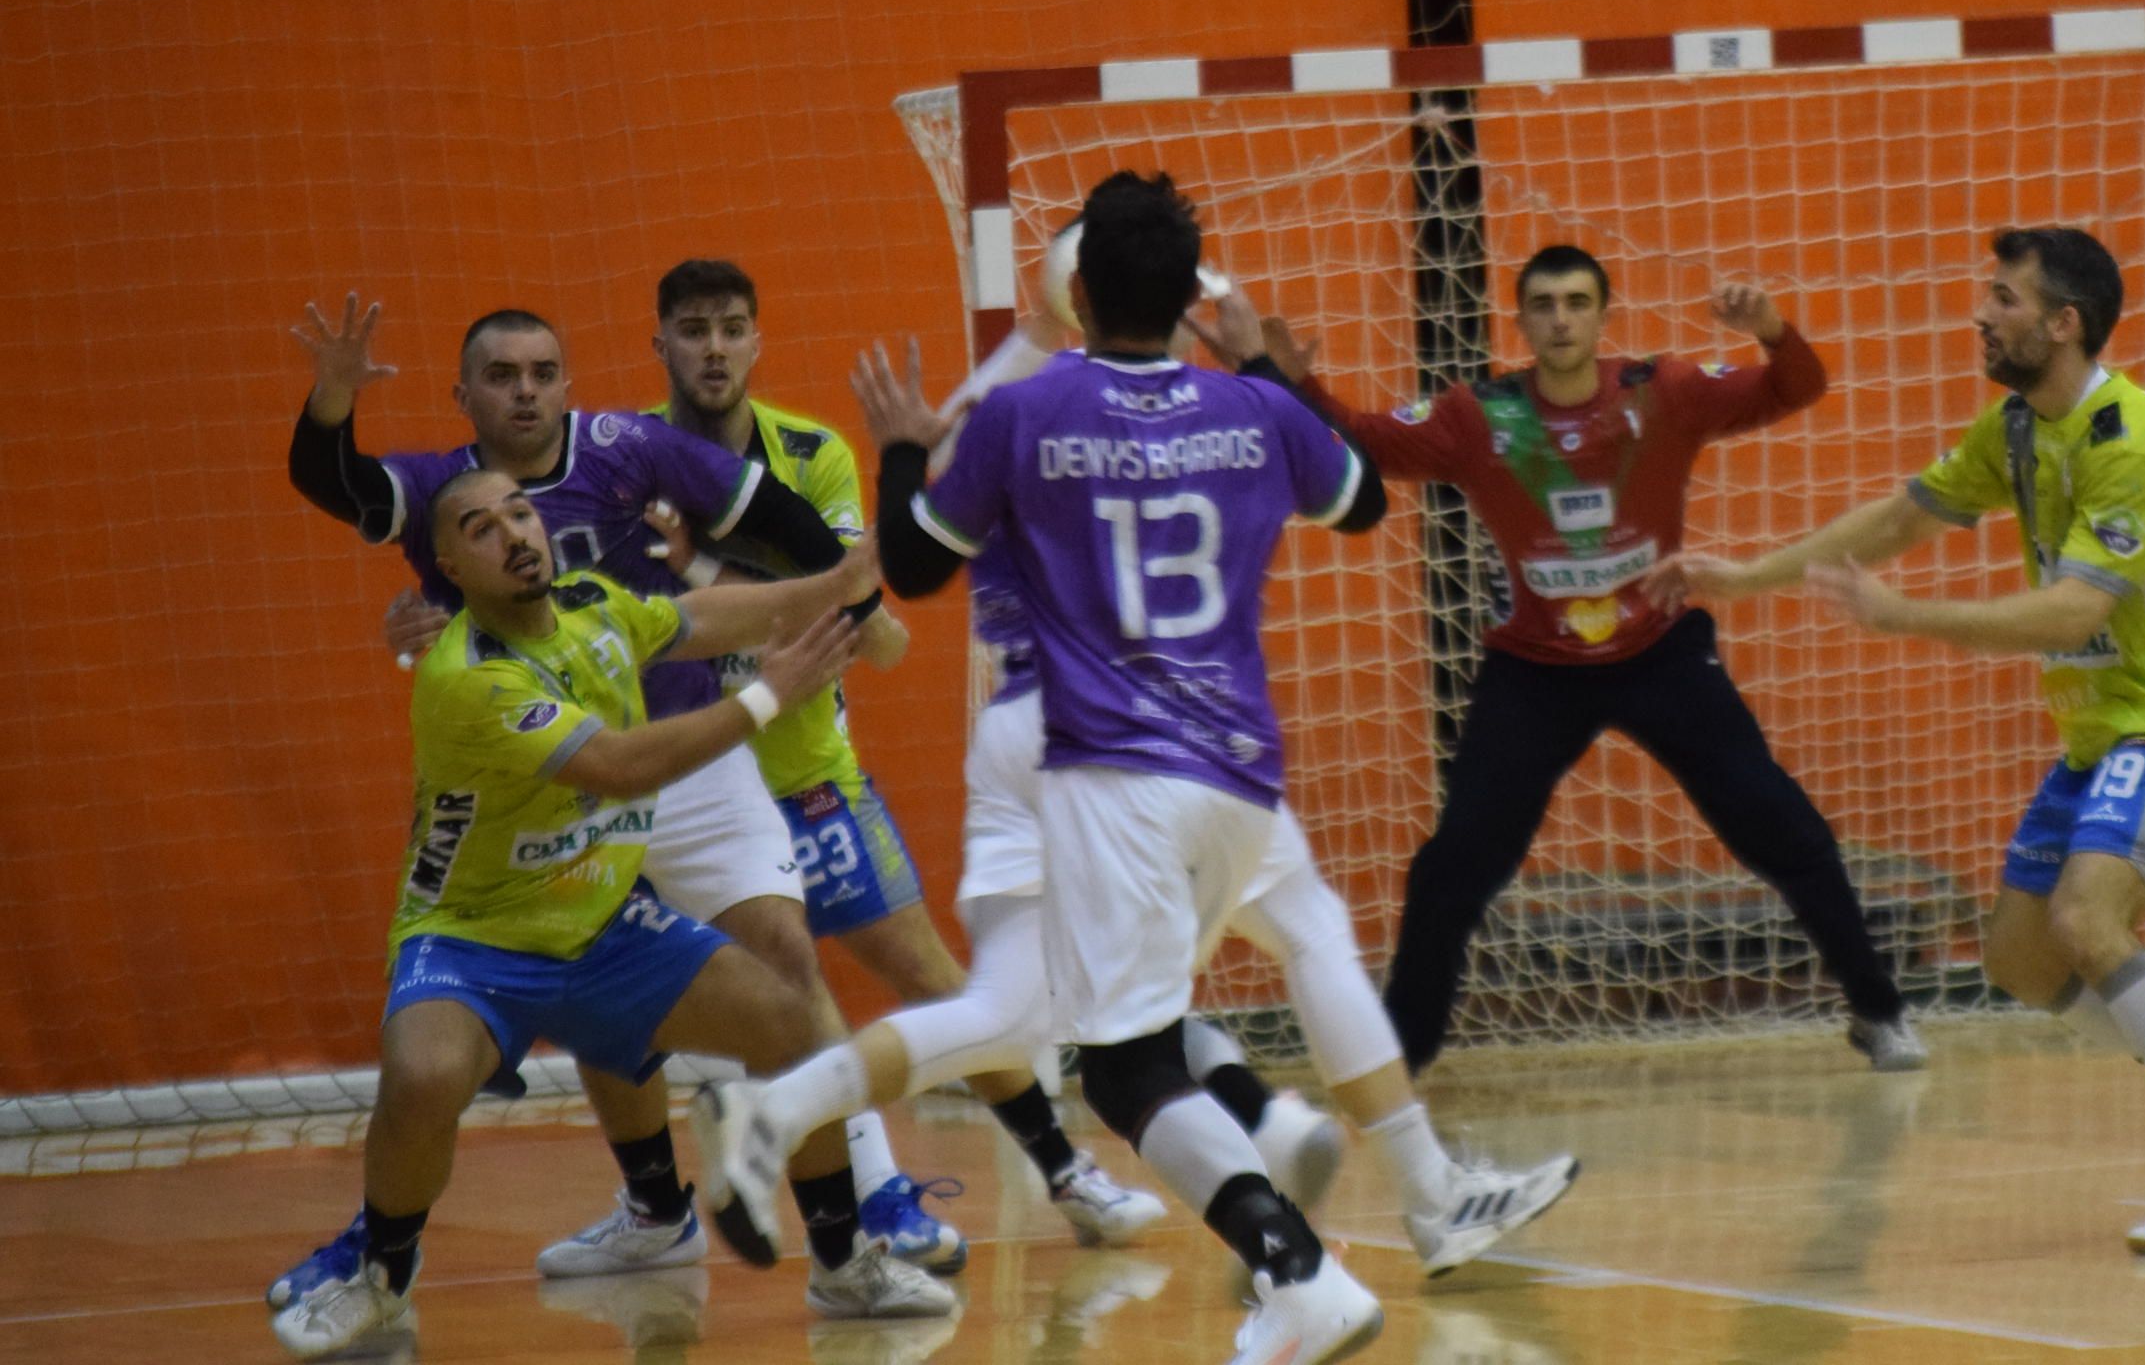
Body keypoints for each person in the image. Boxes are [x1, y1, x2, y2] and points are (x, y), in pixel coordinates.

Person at [701, 173, 1564, 1365]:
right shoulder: (1250, 410)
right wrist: (1269, 371)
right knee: (1150, 996)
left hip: (1104, 763)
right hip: (1240, 767)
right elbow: (1365, 507)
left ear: (1082, 288)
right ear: (1187, 296)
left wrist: (902, 452)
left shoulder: (1022, 413)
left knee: (1115, 1058)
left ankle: (1298, 1267)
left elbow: (907, 557)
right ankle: (1333, 1191)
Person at [1661, 227, 2145, 1253]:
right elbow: (1898, 517)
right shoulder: (2014, 426)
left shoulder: (2130, 439)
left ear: (2062, 322)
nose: (1980, 311)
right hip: (2105, 728)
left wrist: (1902, 616)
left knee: (2089, 918)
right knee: (2018, 958)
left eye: (2002, 297)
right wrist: (1746, 576)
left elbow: (2065, 613)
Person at [280, 297, 946, 1285]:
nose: (525, 391)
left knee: (784, 987)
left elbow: (704, 607)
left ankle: (852, 1232)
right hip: (533, 844)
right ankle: (398, 1257)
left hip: (681, 766)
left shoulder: (599, 569)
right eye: (501, 376)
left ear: (569, 384)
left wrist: (846, 580)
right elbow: (618, 767)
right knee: (434, 1071)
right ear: (444, 555)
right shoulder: (469, 655)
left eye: (543, 371)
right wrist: (333, 396)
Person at [1260, 247, 1919, 1072]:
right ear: (1523, 320)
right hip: (1534, 673)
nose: (1561, 317)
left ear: (1604, 316)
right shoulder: (1478, 415)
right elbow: (1363, 444)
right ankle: (1402, 1059)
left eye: (1577, 302)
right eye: (1543, 303)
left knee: (1781, 824)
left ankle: (1879, 1011)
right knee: (1453, 866)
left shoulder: (1663, 391)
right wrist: (1289, 382)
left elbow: (1799, 387)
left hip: (1662, 651)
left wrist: (1772, 331)